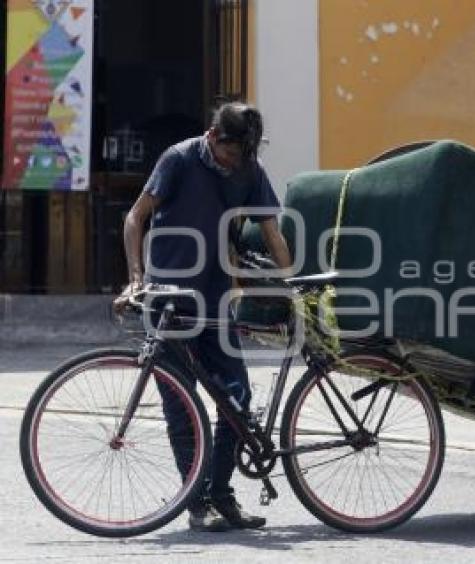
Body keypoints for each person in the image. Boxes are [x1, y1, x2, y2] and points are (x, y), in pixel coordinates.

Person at [114, 102, 293, 531]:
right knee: (181, 404)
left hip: (215, 298)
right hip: (169, 298)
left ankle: (222, 494)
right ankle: (197, 502)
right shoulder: (178, 159)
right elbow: (135, 217)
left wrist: (290, 286)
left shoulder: (249, 168)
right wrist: (136, 278)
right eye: (233, 153)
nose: (237, 163)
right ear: (214, 137)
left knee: (237, 400)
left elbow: (272, 233)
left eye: (246, 155)